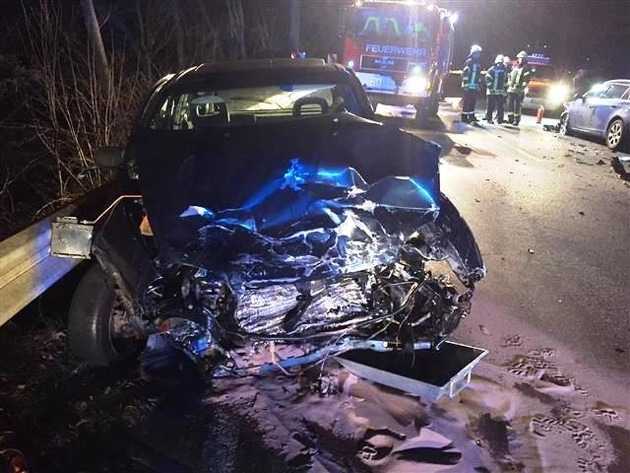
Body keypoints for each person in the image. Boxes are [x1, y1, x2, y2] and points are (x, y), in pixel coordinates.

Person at [507, 50, 532, 126]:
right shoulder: (514, 66)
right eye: (520, 58)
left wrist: (522, 86)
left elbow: (526, 79)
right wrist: (509, 83)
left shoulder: (526, 68)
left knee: (517, 105)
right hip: (511, 89)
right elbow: (510, 76)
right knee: (510, 104)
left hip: (519, 90)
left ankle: (516, 119)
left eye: (522, 58)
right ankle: (510, 118)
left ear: (524, 60)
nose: (520, 60)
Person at [461, 44, 483, 123]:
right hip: (468, 86)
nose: (478, 55)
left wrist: (478, 85)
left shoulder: (478, 63)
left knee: (473, 101)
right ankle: (464, 116)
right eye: (477, 53)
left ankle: (471, 116)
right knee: (467, 101)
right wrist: (466, 84)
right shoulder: (469, 62)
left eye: (479, 53)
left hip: (474, 86)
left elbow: (478, 75)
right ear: (473, 53)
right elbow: (465, 74)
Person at [484, 54, 508, 124]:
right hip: (491, 92)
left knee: (500, 106)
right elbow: (487, 79)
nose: (499, 64)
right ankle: (489, 118)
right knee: (490, 106)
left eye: (500, 63)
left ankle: (500, 119)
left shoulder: (505, 70)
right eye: (498, 63)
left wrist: (505, 90)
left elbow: (506, 80)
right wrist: (490, 87)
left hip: (500, 92)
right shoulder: (491, 70)